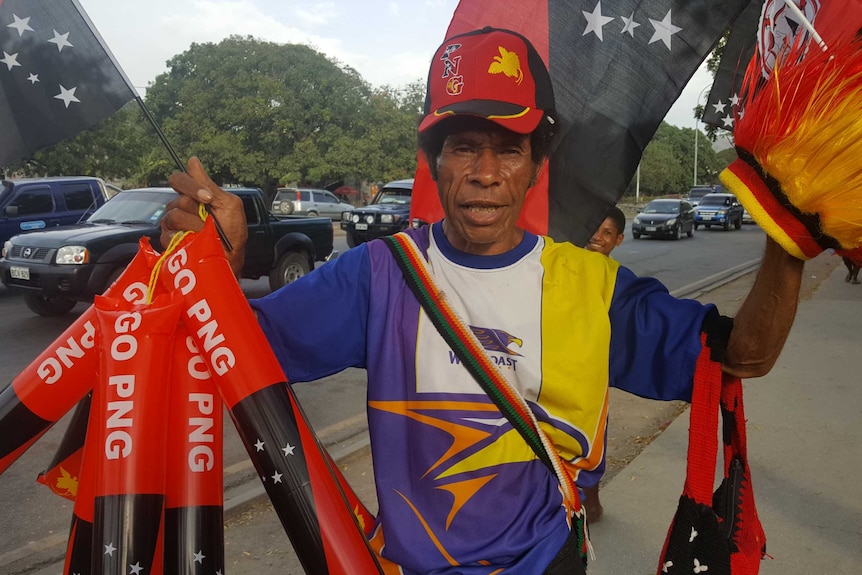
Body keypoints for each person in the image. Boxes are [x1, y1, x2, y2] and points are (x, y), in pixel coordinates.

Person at [161, 26, 804, 575]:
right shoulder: (379, 276)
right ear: (435, 162)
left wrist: (790, 228)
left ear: (536, 163)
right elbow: (226, 352)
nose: (486, 174)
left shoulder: (594, 289)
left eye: (509, 149)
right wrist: (215, 264)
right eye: (463, 146)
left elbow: (744, 355)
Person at [578, 204, 627, 523]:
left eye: (607, 233)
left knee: (592, 436)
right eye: (596, 228)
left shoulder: (617, 280)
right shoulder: (566, 262)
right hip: (560, 364)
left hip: (592, 372)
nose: (598, 236)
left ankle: (591, 501)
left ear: (618, 240)